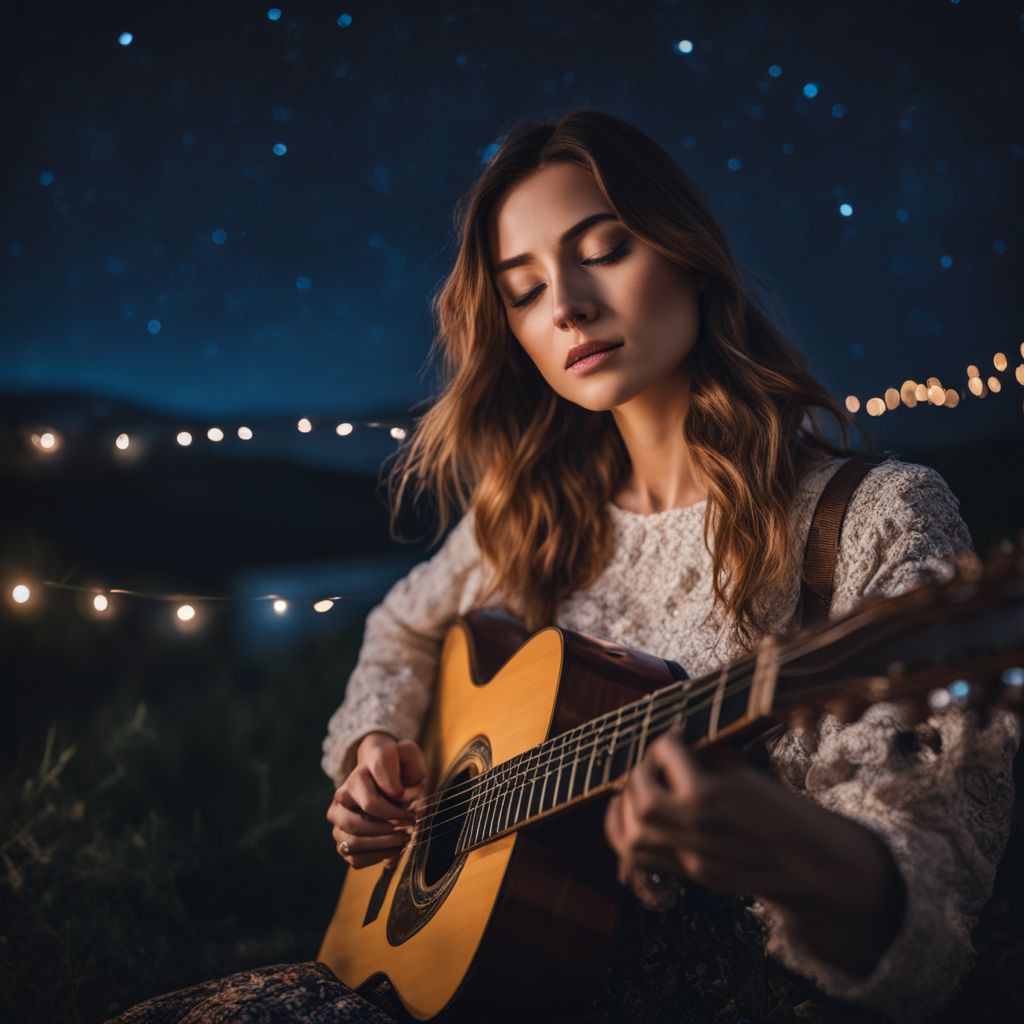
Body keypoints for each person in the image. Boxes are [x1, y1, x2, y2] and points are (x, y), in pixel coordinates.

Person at [108, 110, 1018, 1024]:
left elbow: (933, 917)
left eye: (606, 248)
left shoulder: (875, 518)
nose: (568, 306)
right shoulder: (536, 518)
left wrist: (790, 850)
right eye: (524, 288)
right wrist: (373, 750)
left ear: (690, 254)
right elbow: (401, 625)